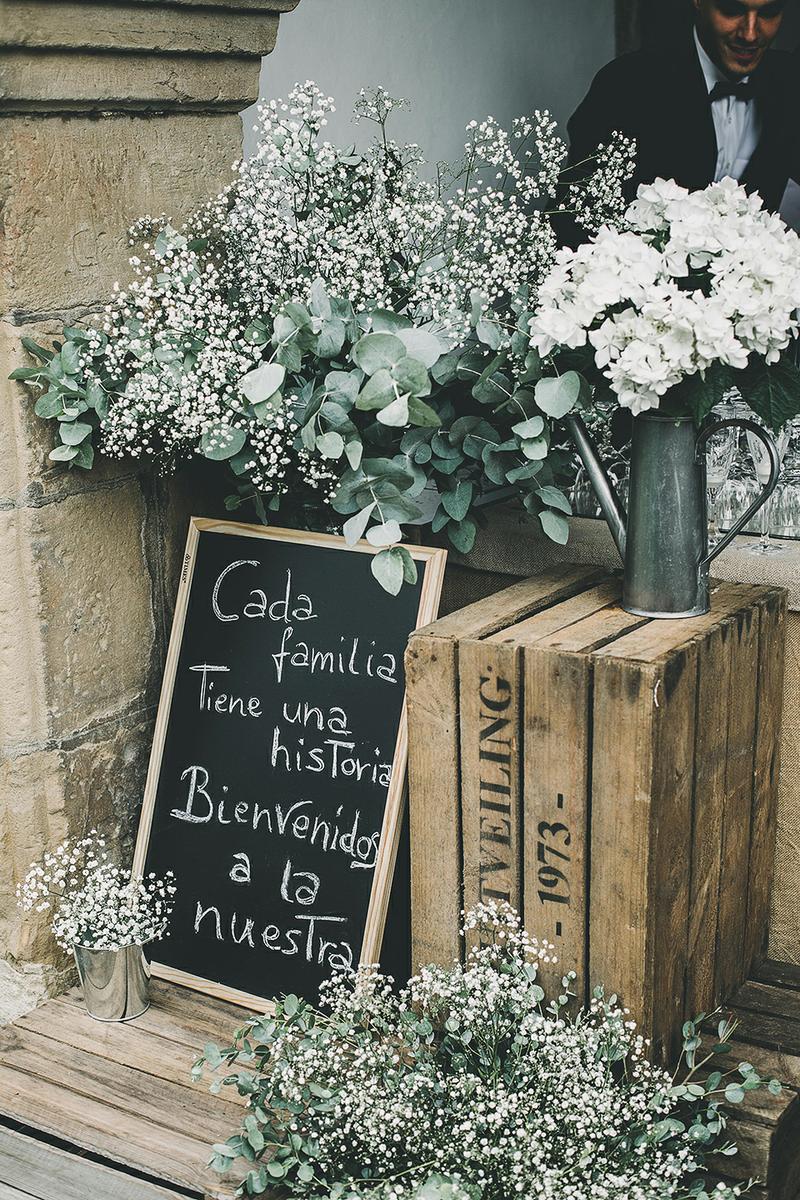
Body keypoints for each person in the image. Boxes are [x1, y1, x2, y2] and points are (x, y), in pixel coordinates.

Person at [566, 0, 799, 214]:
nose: (750, 34)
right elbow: (573, 218)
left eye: (768, 13)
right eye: (732, 10)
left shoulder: (790, 83)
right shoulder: (624, 84)